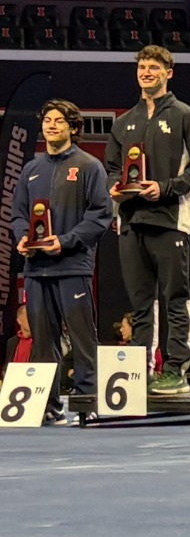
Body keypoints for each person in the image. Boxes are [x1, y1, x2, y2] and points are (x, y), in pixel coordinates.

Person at [105, 45, 190, 396]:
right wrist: (114, 189)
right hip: (131, 221)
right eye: (142, 67)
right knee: (140, 304)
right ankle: (139, 370)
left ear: (170, 72)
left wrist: (166, 188)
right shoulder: (124, 122)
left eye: (154, 67)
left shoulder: (185, 115)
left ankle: (175, 369)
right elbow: (111, 168)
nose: (147, 72)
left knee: (175, 297)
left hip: (170, 219)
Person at [9, 100, 112, 424]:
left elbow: (100, 216)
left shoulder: (89, 166)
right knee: (43, 342)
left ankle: (86, 404)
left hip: (73, 267)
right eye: (47, 120)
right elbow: (18, 215)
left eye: (59, 121)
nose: (51, 125)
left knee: (82, 339)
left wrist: (65, 241)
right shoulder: (30, 169)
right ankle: (48, 407)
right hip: (37, 269)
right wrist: (23, 237)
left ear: (73, 127)